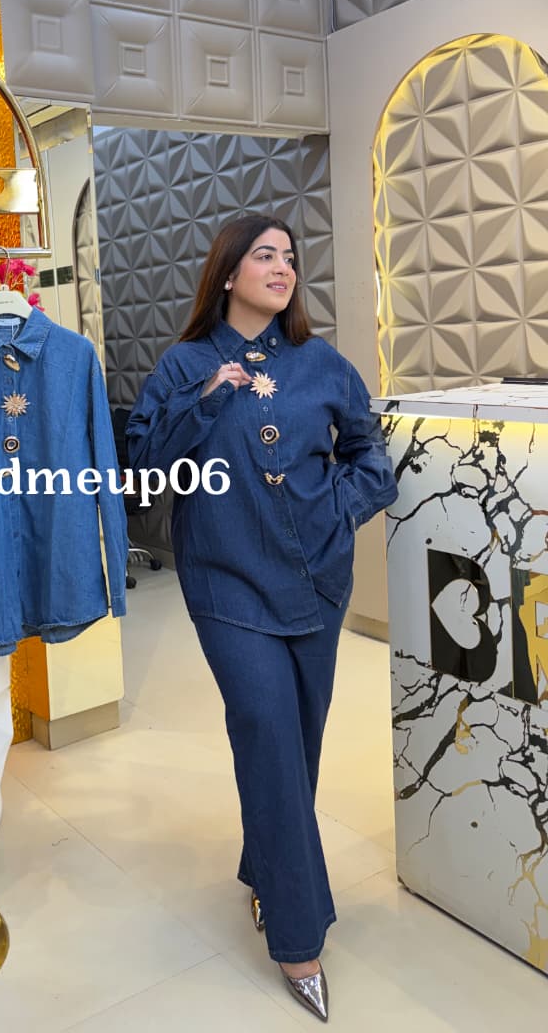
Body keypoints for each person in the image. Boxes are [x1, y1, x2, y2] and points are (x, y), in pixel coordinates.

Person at [127, 216, 397, 1024]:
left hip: (316, 581)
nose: (283, 268)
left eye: (290, 258)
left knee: (297, 744)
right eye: (264, 255)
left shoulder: (323, 364)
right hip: (228, 585)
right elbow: (146, 469)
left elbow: (370, 457)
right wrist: (208, 398)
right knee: (268, 732)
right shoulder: (185, 365)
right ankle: (297, 935)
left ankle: (264, 868)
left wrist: (337, 512)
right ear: (228, 272)